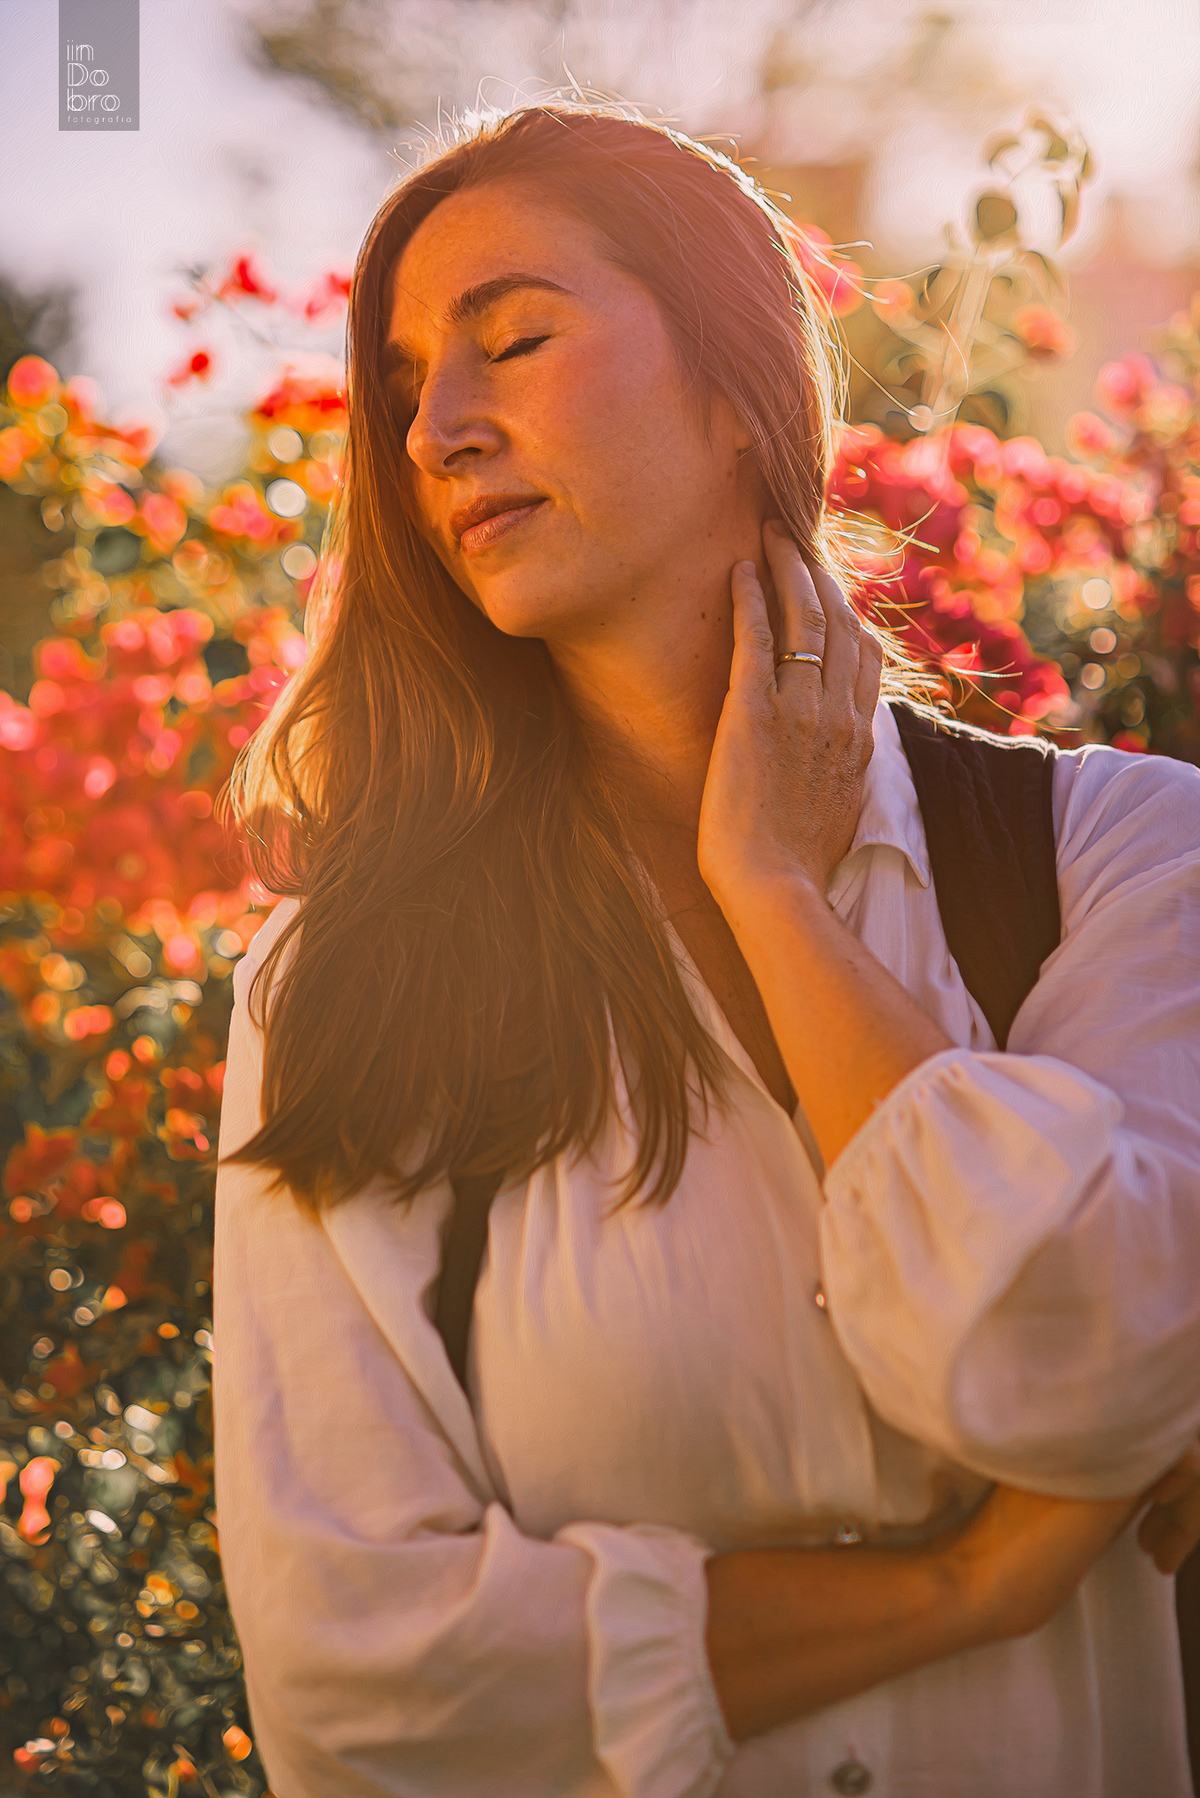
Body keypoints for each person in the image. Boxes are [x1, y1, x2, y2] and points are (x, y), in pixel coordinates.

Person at [212, 105, 1200, 1797]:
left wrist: (773, 892)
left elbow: (1094, 1355)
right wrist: (970, 1584)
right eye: (401, 391)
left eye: (513, 338)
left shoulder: (1117, 853)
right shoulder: (335, 989)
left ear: (745, 395)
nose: (439, 429)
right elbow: (353, 1672)